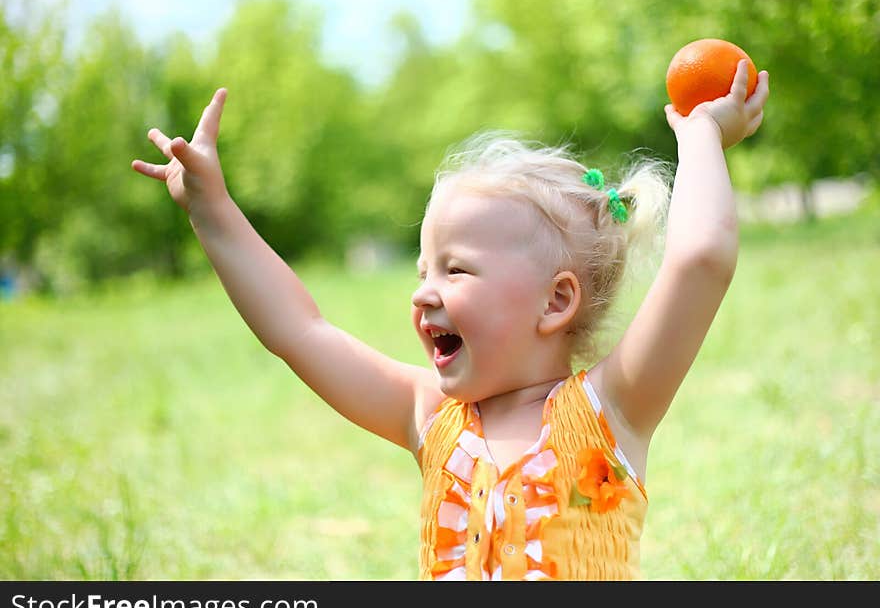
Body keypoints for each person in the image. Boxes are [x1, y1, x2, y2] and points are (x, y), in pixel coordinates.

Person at [132, 59, 769, 580]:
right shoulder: (432, 418)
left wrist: (701, 137)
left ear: (556, 302)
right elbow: (300, 331)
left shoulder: (613, 411)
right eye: (422, 271)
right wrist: (212, 209)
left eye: (455, 271)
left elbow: (701, 258)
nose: (423, 294)